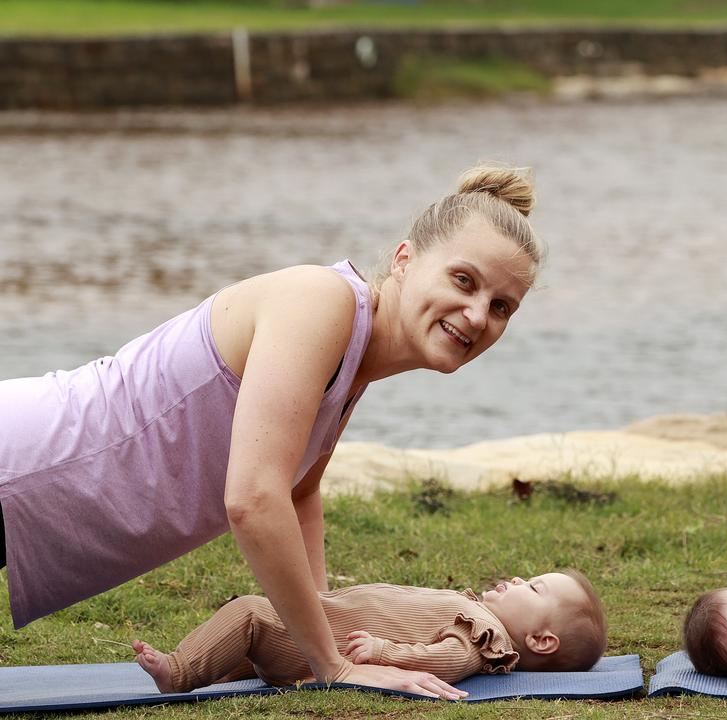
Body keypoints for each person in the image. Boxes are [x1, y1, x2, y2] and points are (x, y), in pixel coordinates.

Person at [0, 165, 545, 698]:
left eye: (501, 307)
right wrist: (331, 664)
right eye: (463, 280)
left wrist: (318, 638)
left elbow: (298, 494)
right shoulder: (321, 303)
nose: (476, 315)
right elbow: (255, 499)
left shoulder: (353, 362)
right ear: (405, 259)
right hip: (22, 461)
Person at [130, 570, 607, 694]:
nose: (520, 580)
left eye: (535, 587)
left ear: (542, 640)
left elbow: (442, 661)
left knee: (252, 614)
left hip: (326, 642)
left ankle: (179, 671)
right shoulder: (477, 612)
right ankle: (228, 668)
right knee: (250, 625)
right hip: (321, 621)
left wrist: (385, 650)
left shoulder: (485, 637)